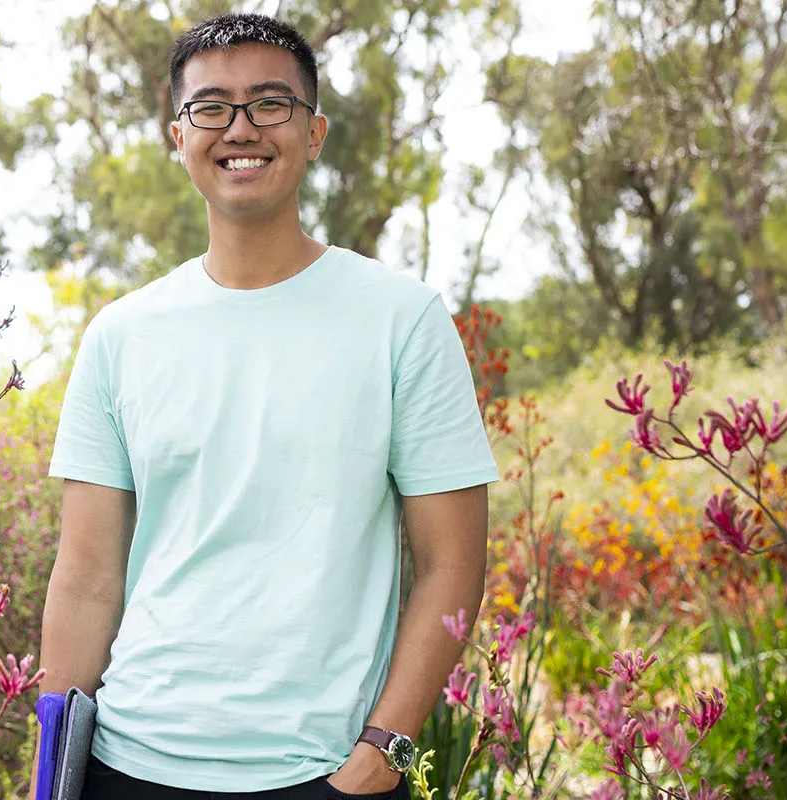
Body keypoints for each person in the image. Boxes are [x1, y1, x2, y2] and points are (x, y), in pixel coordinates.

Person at [33, 11, 499, 800]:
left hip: (323, 773)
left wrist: (383, 750)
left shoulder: (401, 318)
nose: (239, 128)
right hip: (128, 763)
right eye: (211, 107)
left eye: (269, 104)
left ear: (313, 133)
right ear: (177, 135)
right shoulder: (121, 335)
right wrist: (51, 779)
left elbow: (452, 561)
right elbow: (85, 577)